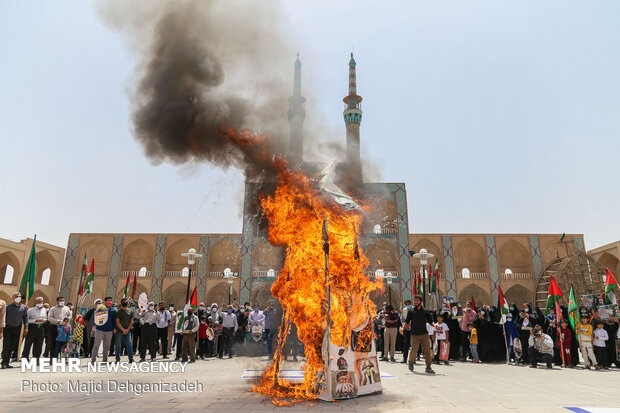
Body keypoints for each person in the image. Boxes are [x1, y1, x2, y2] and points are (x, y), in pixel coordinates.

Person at [404, 295, 435, 374]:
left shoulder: (425, 311)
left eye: (417, 300)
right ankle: (411, 361)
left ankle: (428, 367)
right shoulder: (411, 311)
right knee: (414, 349)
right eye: (415, 300)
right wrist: (403, 328)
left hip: (424, 334)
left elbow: (431, 321)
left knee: (427, 351)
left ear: (420, 301)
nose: (415, 302)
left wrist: (435, 326)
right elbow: (407, 322)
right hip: (414, 334)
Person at [1, 292, 27, 369]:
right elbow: (3, 318)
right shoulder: (8, 307)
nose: (18, 298)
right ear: (13, 298)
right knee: (7, 346)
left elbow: (25, 318)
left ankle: (7, 362)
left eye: (19, 296)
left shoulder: (23, 307)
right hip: (8, 329)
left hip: (17, 329)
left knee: (12, 346)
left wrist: (26, 327)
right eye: (16, 297)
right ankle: (4, 363)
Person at [91, 297, 116, 363]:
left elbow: (114, 320)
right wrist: (97, 324)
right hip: (100, 330)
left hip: (109, 330)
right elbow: (95, 318)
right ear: (105, 302)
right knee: (96, 345)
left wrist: (114, 328)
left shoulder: (113, 310)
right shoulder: (100, 309)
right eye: (108, 300)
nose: (109, 302)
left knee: (107, 346)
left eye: (110, 300)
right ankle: (93, 359)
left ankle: (105, 359)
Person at [22, 296, 47, 363]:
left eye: (42, 302)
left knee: (39, 344)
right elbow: (26, 320)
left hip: (40, 328)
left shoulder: (44, 310)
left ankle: (36, 358)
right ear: (35, 302)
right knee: (28, 344)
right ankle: (25, 357)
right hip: (32, 328)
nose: (41, 303)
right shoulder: (31, 310)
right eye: (39, 302)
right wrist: (35, 320)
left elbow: (46, 318)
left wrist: (44, 320)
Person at [47, 296, 72, 361]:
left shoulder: (66, 308)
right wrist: (58, 321)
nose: (62, 302)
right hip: (54, 326)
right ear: (57, 301)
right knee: (53, 343)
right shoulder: (53, 308)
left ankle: (63, 358)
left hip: (64, 327)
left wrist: (66, 320)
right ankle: (52, 358)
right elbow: (49, 317)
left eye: (63, 300)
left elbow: (70, 316)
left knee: (63, 343)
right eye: (60, 300)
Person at [115, 298, 135, 363]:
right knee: (118, 345)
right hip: (119, 331)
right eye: (123, 301)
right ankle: (117, 359)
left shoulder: (131, 311)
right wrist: (123, 329)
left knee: (129, 344)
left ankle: (131, 359)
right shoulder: (118, 312)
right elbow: (117, 322)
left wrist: (127, 330)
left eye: (126, 302)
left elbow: (131, 322)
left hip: (127, 331)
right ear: (121, 303)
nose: (125, 302)